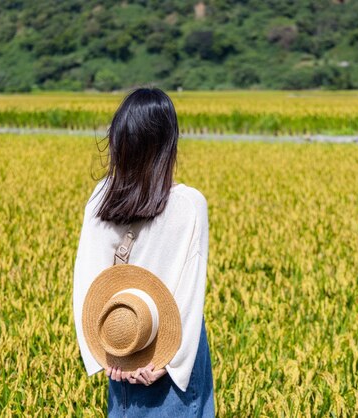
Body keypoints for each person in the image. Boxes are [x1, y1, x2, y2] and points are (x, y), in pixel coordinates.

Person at [72, 87, 215, 417]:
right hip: (173, 349)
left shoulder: (101, 197)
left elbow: (87, 278)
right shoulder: (189, 204)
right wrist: (169, 363)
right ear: (168, 143)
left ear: (120, 140)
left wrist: (103, 354)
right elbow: (189, 291)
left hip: (120, 341)